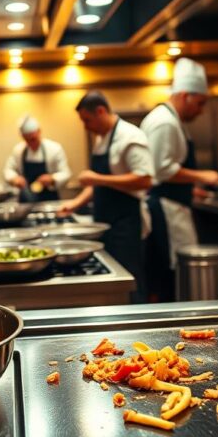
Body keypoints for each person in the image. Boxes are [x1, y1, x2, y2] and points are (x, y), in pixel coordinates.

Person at [140, 58, 218, 302]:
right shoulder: (165, 122)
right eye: (200, 103)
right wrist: (202, 176)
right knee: (170, 274)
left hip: (174, 206)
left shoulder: (172, 119)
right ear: (185, 95)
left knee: (174, 272)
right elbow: (161, 170)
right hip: (166, 212)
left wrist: (191, 188)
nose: (201, 110)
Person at [61, 91, 153, 303]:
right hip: (106, 223)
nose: (85, 126)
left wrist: (98, 178)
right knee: (114, 283)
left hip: (126, 223)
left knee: (130, 280)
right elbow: (98, 185)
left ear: (101, 111)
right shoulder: (101, 139)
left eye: (87, 120)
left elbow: (144, 179)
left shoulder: (130, 136)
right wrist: (74, 204)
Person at [3, 114, 71, 202]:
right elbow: (8, 170)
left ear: (39, 131)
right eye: (27, 140)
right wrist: (14, 178)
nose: (30, 143)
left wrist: (52, 179)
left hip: (49, 199)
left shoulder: (55, 148)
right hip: (26, 199)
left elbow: (66, 173)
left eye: (33, 139)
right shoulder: (18, 150)